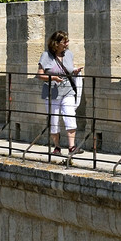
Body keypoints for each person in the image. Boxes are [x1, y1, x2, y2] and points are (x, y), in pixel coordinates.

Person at [38, 30, 83, 159]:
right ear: (56, 43)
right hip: (52, 93)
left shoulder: (69, 54)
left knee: (70, 116)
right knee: (54, 120)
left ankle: (72, 147)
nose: (67, 44)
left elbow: (68, 70)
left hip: (68, 90)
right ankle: (57, 147)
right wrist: (52, 78)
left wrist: (75, 71)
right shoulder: (46, 55)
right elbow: (40, 75)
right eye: (65, 42)